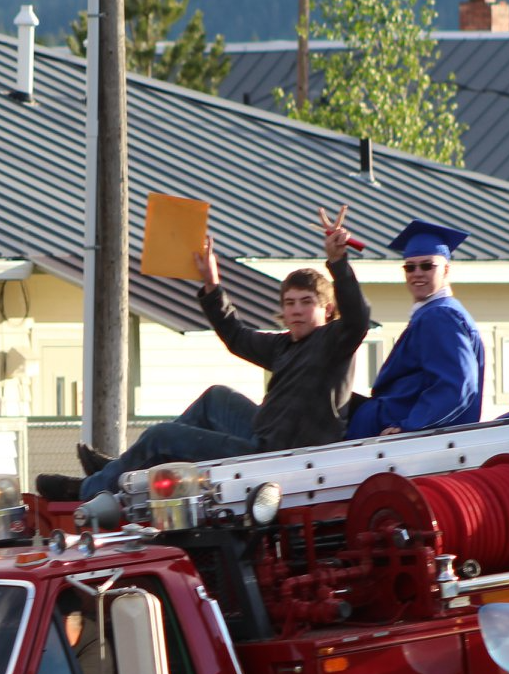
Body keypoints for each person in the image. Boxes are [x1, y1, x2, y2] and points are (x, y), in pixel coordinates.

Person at [37, 209, 370, 501]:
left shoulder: (335, 341)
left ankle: (86, 491)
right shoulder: (285, 346)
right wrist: (212, 285)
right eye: (290, 303)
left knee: (160, 436)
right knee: (216, 398)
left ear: (326, 309)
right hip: (265, 436)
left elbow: (358, 317)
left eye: (306, 302)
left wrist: (338, 263)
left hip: (279, 457)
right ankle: (123, 468)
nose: (296, 311)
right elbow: (237, 337)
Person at [347, 219, 484, 438]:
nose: (417, 273)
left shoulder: (440, 315)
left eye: (427, 265)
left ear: (446, 269)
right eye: (410, 267)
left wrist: (411, 427)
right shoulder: (433, 313)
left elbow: (456, 387)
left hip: (400, 438)